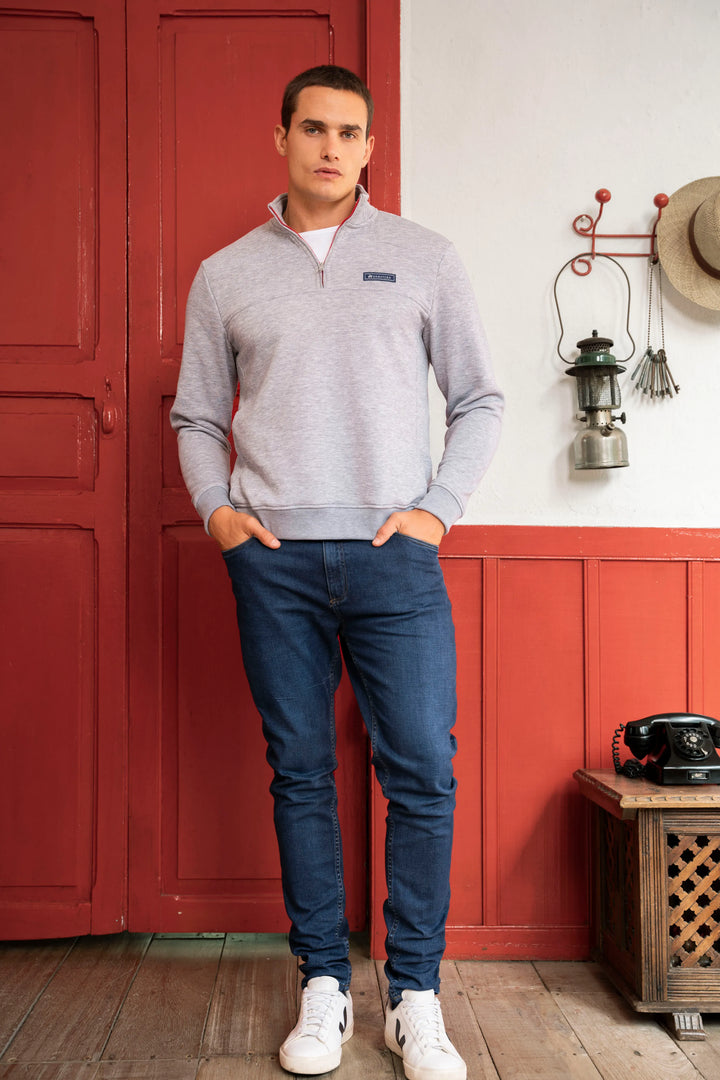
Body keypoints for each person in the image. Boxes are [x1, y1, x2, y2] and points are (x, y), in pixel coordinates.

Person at [171, 64, 503, 1080]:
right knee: (302, 772)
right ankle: (323, 981)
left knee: (423, 770)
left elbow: (480, 400)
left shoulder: (425, 257)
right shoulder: (226, 273)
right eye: (313, 128)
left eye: (349, 132)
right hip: (271, 561)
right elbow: (195, 416)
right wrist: (220, 514)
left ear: (369, 147)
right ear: (281, 138)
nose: (330, 147)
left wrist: (436, 511)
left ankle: (414, 994)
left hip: (393, 558)